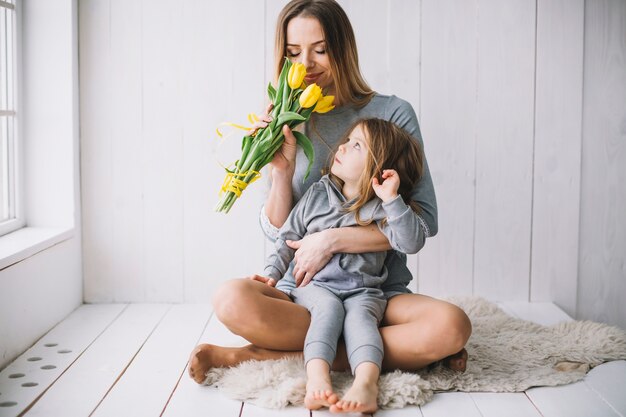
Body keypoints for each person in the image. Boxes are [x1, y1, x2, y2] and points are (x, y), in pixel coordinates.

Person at [189, 0, 471, 397]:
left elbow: (423, 223)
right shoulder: (288, 117)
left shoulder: (392, 114)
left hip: (375, 293)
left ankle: (257, 355)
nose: (306, 65)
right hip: (304, 292)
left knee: (453, 326)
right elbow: (279, 231)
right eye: (293, 53)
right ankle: (397, 353)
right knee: (231, 299)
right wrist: (281, 172)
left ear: (344, 48)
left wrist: (332, 239)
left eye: (320, 49)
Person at [261, 118, 425, 412]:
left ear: (379, 167)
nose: (344, 146)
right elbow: (287, 237)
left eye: (357, 145)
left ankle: (366, 383)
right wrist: (271, 275)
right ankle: (317, 379)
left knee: (361, 321)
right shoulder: (318, 194)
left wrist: (392, 199)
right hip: (314, 286)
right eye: (348, 139)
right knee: (329, 309)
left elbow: (411, 242)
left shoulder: (382, 207)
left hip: (364, 291)